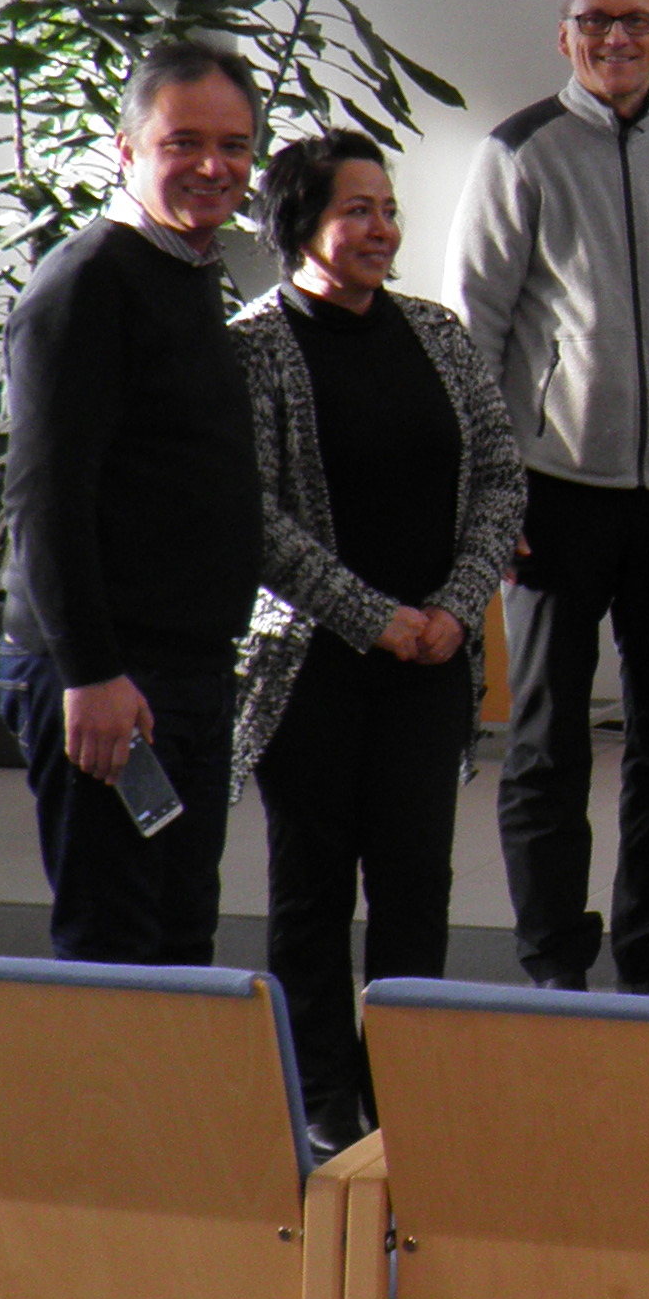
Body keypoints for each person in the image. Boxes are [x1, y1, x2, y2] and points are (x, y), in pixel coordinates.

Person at [447, 0, 649, 993]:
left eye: (634, 20)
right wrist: (493, 498)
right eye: (594, 21)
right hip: (553, 494)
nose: (615, 37)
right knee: (545, 742)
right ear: (564, 35)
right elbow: (476, 334)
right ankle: (552, 961)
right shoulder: (519, 152)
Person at [230, 132, 525, 1149]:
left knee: (415, 884)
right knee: (311, 887)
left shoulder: (437, 333)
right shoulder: (253, 346)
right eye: (356, 209)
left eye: (388, 209)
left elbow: (501, 477)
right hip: (311, 668)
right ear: (300, 222)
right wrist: (375, 617)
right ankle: (319, 1094)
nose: (382, 229)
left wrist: (454, 606)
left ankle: (403, 1087)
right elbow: (254, 518)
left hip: (430, 662)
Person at [0, 38, 265, 963]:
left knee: (180, 933)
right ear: (126, 149)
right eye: (183, 142)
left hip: (183, 672)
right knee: (115, 946)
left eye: (233, 146)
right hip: (113, 680)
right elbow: (45, 498)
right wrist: (92, 673)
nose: (212, 166)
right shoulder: (87, 283)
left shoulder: (185, 268)